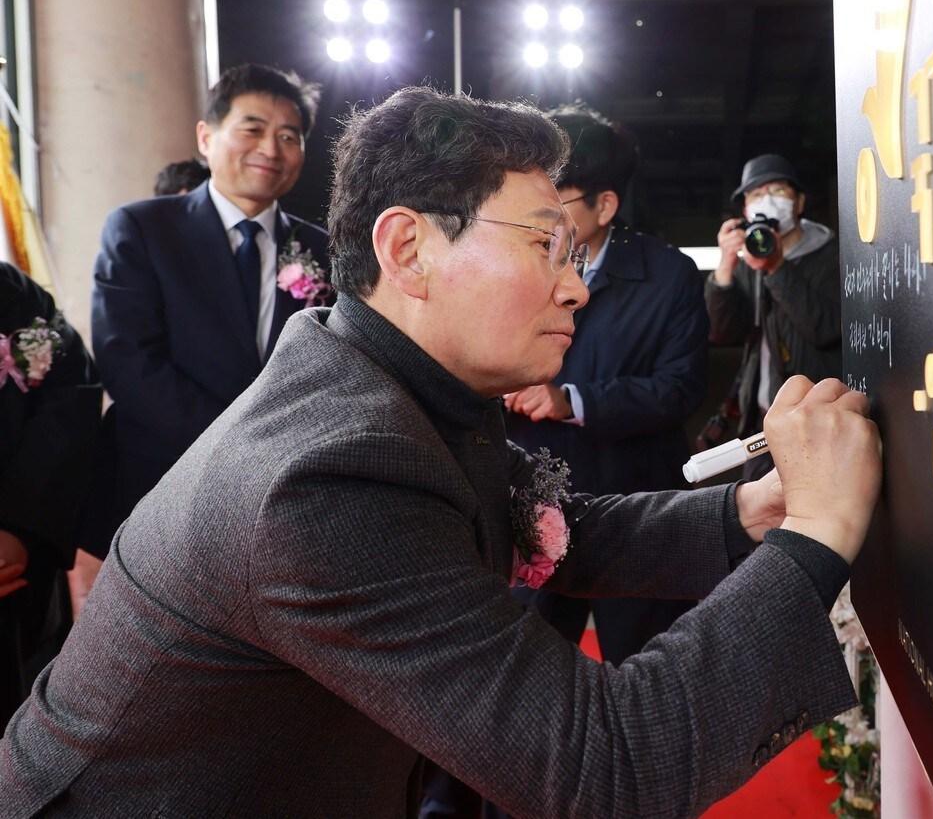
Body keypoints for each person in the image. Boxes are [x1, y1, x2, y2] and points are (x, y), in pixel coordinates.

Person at [0, 88, 881, 818]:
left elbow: (540, 527)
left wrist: (749, 511)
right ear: (407, 248)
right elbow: (608, 762)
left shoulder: (381, 371)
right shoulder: (329, 476)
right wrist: (818, 534)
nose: (577, 283)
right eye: (546, 243)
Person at [88, 64, 329, 548]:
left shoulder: (324, 251)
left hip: (287, 499)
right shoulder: (143, 229)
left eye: (289, 136)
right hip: (165, 486)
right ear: (206, 137)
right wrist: (244, 449)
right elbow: (128, 362)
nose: (270, 149)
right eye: (253, 129)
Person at [504, 104, 708, 663]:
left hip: (635, 501)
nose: (539, 216)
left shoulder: (669, 276)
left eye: (558, 200)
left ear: (606, 204)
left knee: (647, 665)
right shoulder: (511, 262)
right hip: (534, 502)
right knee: (527, 674)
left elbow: (680, 387)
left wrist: (572, 399)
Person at [0, 263, 102, 722]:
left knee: (24, 723)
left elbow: (72, 391)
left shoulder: (12, 293)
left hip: (14, 561)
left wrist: (18, 529)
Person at [705, 154, 842, 479]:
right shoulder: (750, 258)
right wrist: (725, 266)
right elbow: (724, 332)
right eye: (756, 194)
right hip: (762, 416)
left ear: (800, 202)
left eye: (778, 191)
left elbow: (824, 328)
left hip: (817, 417)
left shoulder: (833, 253)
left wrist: (777, 268)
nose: (767, 200)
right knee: (759, 514)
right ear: (745, 211)